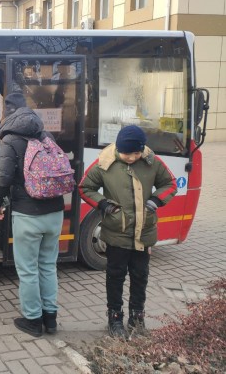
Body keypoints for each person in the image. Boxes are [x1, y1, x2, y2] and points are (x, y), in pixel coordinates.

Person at [78, 125, 177, 338]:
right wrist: (103, 205)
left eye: (136, 153)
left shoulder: (152, 162)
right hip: (116, 231)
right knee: (115, 276)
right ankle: (115, 318)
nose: (132, 157)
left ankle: (137, 317)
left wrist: (156, 200)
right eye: (127, 153)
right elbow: (85, 187)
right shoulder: (105, 163)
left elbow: (169, 184)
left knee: (140, 276)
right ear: (118, 148)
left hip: (144, 232)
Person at [0, 93, 64, 337]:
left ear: (7, 114)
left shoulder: (10, 140)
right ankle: (50, 319)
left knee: (28, 270)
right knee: (48, 265)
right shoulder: (46, 135)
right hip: (55, 213)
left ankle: (33, 320)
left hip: (28, 214)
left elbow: (3, 177)